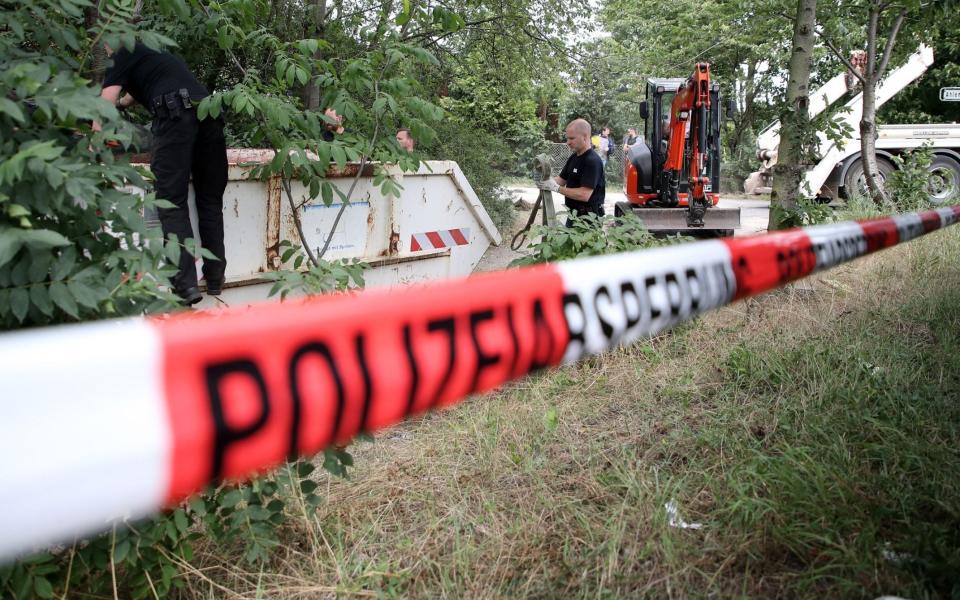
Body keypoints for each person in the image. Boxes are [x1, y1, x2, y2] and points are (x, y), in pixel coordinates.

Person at [99, 42, 227, 305]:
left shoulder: (121, 52)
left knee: (171, 201)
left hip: (175, 115)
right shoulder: (152, 51)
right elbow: (137, 91)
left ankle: (185, 285)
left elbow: (104, 105)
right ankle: (215, 277)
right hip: (208, 112)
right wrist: (125, 104)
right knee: (210, 199)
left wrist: (92, 143)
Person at [536, 119, 605, 225]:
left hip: (588, 221)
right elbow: (561, 180)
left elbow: (584, 194)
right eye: (567, 138)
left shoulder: (592, 161)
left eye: (572, 138)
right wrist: (545, 180)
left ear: (585, 137)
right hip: (573, 216)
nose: (568, 142)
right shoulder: (574, 157)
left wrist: (556, 188)